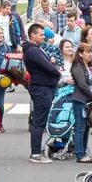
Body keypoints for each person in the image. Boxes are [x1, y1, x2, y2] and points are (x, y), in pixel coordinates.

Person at [23, 23, 62, 164]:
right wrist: (58, 73)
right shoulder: (33, 51)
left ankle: (37, 151)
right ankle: (36, 153)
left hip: (44, 87)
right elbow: (47, 66)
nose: (43, 37)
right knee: (39, 122)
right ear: (33, 35)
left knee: (40, 121)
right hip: (41, 88)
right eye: (41, 34)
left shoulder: (36, 49)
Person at [71, 42, 92, 164]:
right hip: (80, 99)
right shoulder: (77, 66)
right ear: (81, 54)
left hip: (88, 101)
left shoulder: (91, 66)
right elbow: (82, 84)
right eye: (87, 52)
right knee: (80, 126)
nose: (89, 55)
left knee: (87, 127)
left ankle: (83, 152)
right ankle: (79, 153)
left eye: (90, 52)